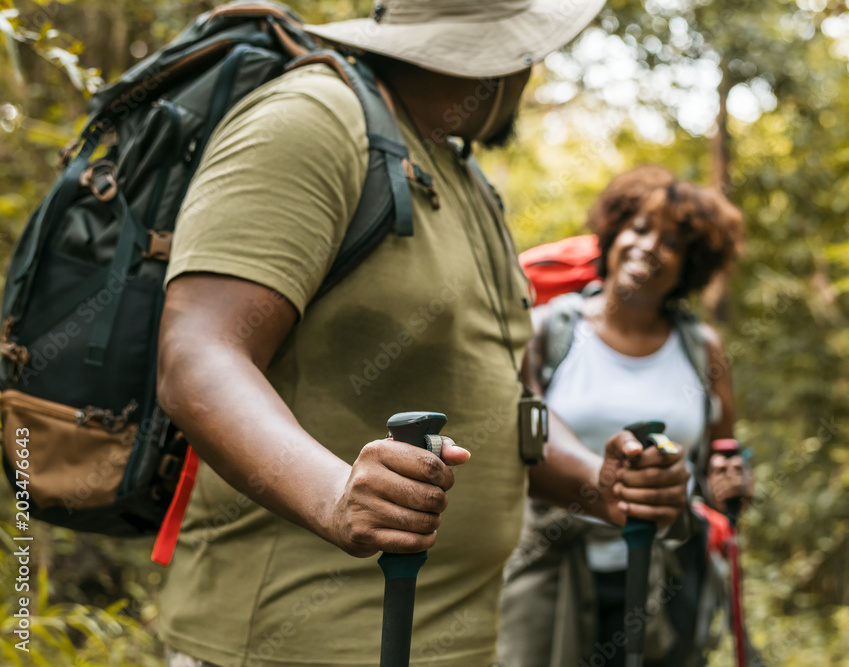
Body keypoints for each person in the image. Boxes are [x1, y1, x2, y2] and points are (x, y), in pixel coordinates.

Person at [153, 3, 693, 666]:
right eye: (528, 51)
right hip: (288, 647)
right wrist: (334, 495)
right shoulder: (312, 120)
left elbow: (508, 410)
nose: (534, 69)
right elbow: (198, 352)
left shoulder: (462, 179)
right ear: (492, 58)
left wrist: (600, 482)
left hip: (453, 646)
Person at [498, 165, 749, 667]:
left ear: (689, 265)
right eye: (638, 228)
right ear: (611, 235)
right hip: (551, 564)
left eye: (672, 242)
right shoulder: (547, 330)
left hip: (665, 575)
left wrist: (733, 484)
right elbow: (513, 440)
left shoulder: (702, 349)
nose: (650, 247)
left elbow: (722, 455)